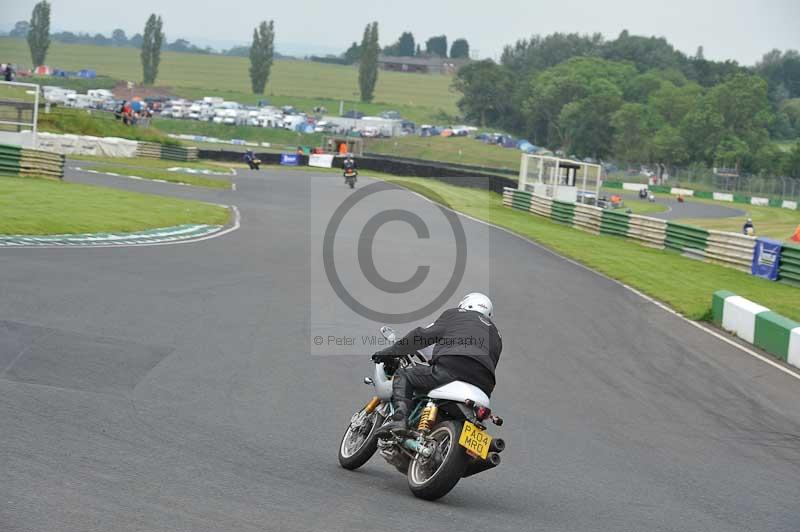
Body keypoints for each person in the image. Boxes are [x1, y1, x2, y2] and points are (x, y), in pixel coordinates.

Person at [372, 293, 502, 434]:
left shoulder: (456, 314)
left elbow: (422, 337)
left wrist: (391, 352)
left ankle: (399, 421)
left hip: (452, 368)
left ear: (465, 305)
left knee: (404, 375)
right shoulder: (497, 335)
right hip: (484, 385)